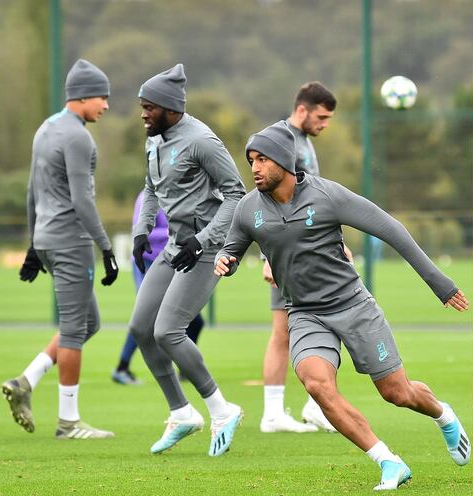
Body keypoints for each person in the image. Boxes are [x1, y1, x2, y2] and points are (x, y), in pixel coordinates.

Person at [216, 121, 472, 490]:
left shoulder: (328, 196)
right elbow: (233, 246)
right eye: (251, 159)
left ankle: (442, 414)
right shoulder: (247, 208)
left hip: (353, 306)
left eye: (262, 159)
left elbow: (391, 230)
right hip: (304, 313)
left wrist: (439, 283)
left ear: (285, 162)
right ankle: (388, 461)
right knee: (317, 385)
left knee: (396, 393)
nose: (254, 167)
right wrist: (225, 260)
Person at [128, 64, 247, 456]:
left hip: (206, 250)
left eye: (149, 107)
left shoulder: (202, 141)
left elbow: (236, 194)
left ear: (171, 108)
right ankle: (182, 412)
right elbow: (150, 188)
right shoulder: (154, 139)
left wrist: (204, 239)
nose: (143, 114)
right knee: (142, 327)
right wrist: (142, 231)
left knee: (168, 331)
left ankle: (222, 409)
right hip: (175, 247)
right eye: (142, 106)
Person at [2, 59, 119, 439]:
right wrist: (105, 247)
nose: (105, 105)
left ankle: (26, 381)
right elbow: (82, 201)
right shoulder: (79, 137)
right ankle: (69, 422)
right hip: (71, 241)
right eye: (102, 96)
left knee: (90, 323)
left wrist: (34, 245)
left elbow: (32, 192)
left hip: (49, 240)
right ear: (83, 95)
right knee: (73, 330)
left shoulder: (45, 129)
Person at [259, 82, 342, 433]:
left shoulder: (303, 142)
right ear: (303, 110)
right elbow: (263, 195)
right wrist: (268, 255)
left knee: (316, 324)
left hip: (312, 251)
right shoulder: (281, 140)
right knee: (286, 331)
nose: (325, 124)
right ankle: (277, 413)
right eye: (321, 117)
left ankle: (311, 406)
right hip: (289, 254)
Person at [112, 190, 204, 385]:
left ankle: (186, 367)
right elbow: (143, 231)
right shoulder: (147, 197)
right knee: (144, 318)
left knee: (196, 321)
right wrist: (179, 230)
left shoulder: (177, 194)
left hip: (171, 263)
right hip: (147, 263)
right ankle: (122, 367)